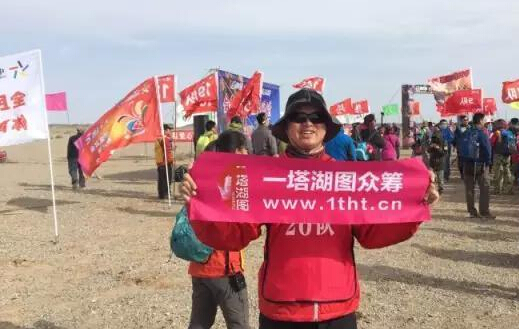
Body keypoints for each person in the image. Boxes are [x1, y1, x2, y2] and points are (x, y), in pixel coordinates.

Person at [181, 88, 440, 329]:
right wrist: (200, 202)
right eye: (298, 117)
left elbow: (371, 233)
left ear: (326, 128)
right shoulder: (267, 175)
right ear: (287, 127)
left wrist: (414, 204)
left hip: (338, 307)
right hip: (281, 309)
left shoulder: (345, 178)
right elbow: (235, 234)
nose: (307, 124)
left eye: (316, 117)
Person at [188, 130, 250, 329]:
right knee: (239, 323)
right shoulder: (233, 180)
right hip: (225, 267)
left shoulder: (199, 177)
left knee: (199, 323)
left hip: (199, 266)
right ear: (238, 150)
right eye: (244, 149)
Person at [459, 113, 493, 219]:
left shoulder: (465, 133)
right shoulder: (482, 134)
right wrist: (488, 163)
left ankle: (472, 212)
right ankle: (484, 212)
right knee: (484, 188)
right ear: (481, 121)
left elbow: (459, 148)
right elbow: (487, 150)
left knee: (469, 189)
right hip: (480, 165)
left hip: (467, 164)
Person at [491, 119, 513, 195]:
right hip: (507, 155)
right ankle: (508, 189)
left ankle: (497, 190)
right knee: (507, 171)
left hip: (498, 154)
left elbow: (491, 143)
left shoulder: (497, 133)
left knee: (498, 172)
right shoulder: (510, 133)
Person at [156, 124, 174, 200]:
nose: (170, 131)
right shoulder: (164, 139)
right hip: (165, 162)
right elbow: (167, 152)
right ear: (166, 130)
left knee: (161, 179)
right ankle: (166, 194)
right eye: (169, 130)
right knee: (167, 179)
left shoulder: (159, 138)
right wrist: (171, 160)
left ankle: (161, 194)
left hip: (160, 161)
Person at [428, 127, 446, 193]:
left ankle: (440, 190)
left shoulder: (444, 141)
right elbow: (428, 150)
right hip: (432, 161)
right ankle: (431, 190)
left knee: (440, 179)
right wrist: (431, 147)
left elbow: (444, 153)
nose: (436, 138)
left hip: (440, 162)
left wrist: (438, 148)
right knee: (431, 178)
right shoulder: (432, 141)